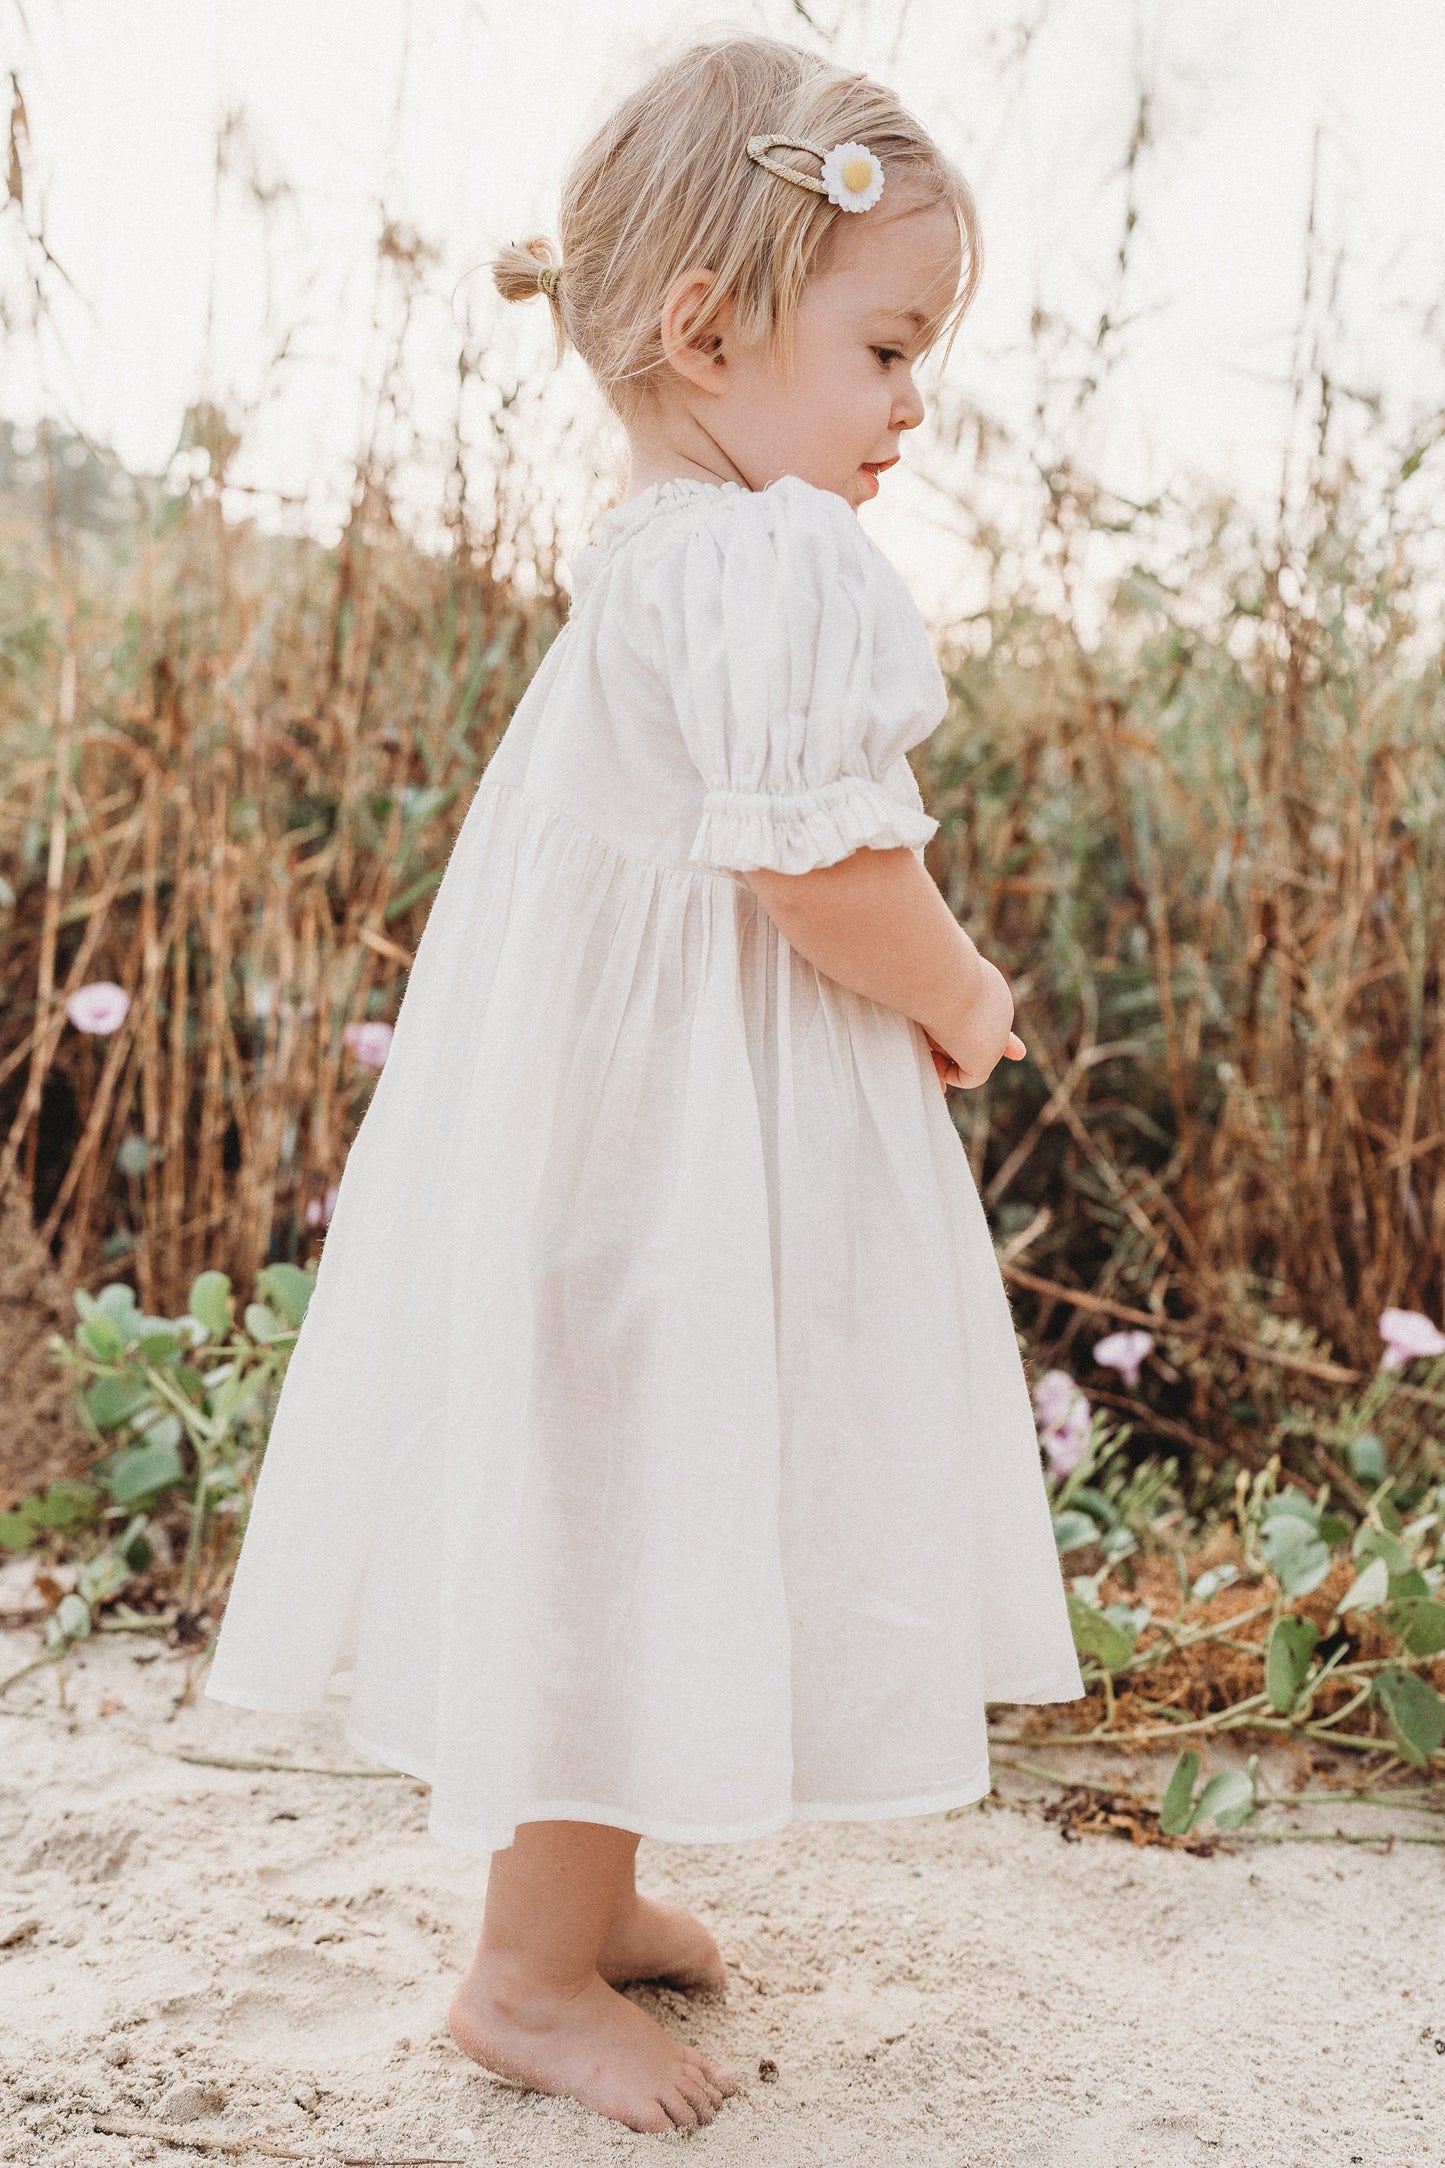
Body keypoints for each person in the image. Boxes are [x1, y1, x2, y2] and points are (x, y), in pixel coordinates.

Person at [206, 30, 1083, 2136]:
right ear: (707, 329)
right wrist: (960, 992)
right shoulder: (765, 563)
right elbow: (820, 867)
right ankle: (518, 1971)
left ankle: (578, 1903)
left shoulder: (671, 546)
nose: (911, 403)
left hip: (613, 1126)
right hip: (658, 1140)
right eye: (884, 345)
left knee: (626, 1473)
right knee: (616, 1488)